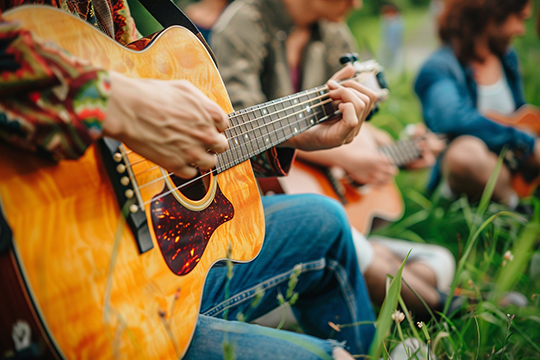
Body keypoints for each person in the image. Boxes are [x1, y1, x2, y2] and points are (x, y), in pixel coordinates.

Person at [0, 1, 381, 359]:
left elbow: (143, 154)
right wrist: (115, 103)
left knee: (324, 221)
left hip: (141, 270)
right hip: (63, 307)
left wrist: (291, 133)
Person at [211, 0, 456, 319]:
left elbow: (348, 122)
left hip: (318, 192)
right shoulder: (244, 22)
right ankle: (442, 308)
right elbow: (239, 128)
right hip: (253, 199)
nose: (357, 4)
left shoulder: (334, 34)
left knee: (439, 260)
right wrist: (345, 156)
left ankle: (408, 300)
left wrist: (387, 149)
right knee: (347, 240)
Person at [414, 0, 540, 207]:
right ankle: (517, 211)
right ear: (491, 16)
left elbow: (522, 114)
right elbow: (452, 119)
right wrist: (525, 142)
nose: (522, 30)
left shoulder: (506, 58)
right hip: (467, 177)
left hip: (510, 165)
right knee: (465, 156)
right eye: (518, 19)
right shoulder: (438, 68)